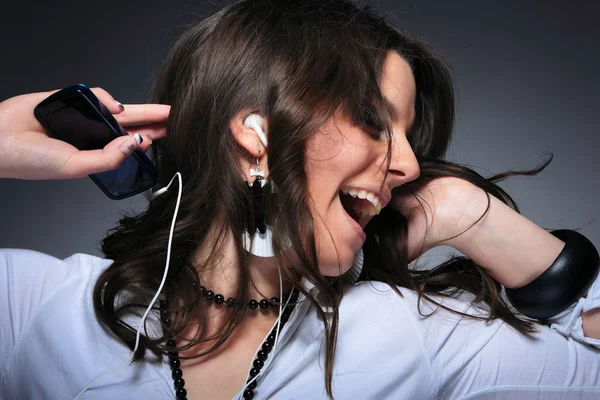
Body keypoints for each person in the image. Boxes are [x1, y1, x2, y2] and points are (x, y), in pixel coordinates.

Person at [1, 1, 599, 399]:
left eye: (411, 139)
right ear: (255, 133)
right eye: (373, 119)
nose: (410, 164)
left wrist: (466, 214)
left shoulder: (412, 334)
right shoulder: (40, 309)